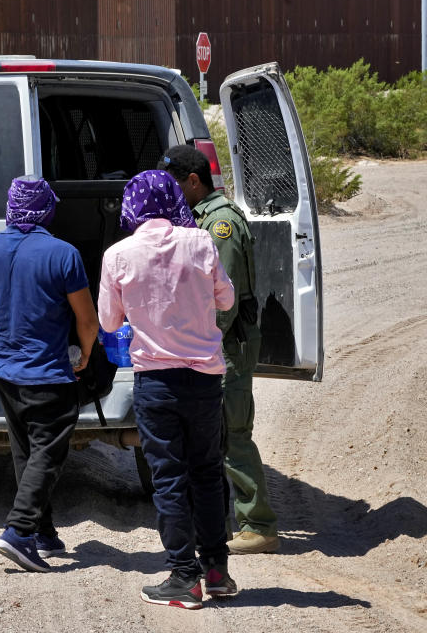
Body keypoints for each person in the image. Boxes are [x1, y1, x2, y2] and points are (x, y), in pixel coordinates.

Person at [98, 170, 237, 609]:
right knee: (208, 473)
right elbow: (227, 300)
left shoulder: (118, 255)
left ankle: (184, 577)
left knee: (170, 479)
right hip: (204, 378)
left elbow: (108, 322)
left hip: (156, 382)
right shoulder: (200, 242)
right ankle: (216, 571)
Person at [0, 175, 100, 573]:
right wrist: (84, 356)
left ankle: (43, 531)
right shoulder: (64, 254)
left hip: (5, 368)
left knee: (25, 449)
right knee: (48, 450)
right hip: (47, 369)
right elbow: (88, 320)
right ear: (48, 208)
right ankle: (19, 531)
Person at [158, 145, 280, 555]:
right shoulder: (201, 220)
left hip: (227, 345)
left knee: (233, 434)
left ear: (194, 181)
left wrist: (198, 342)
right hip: (218, 345)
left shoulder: (221, 224)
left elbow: (220, 301)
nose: (172, 193)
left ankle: (258, 523)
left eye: (176, 184)